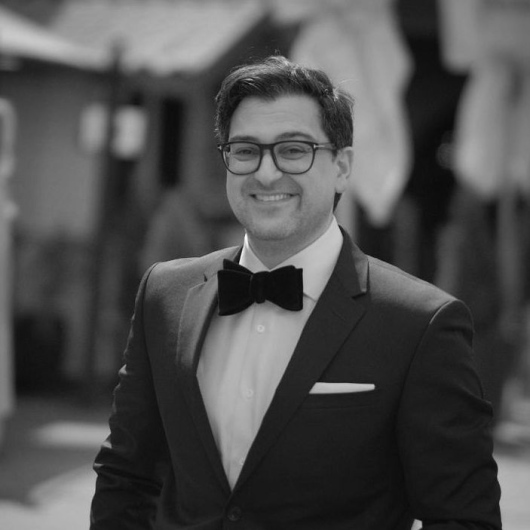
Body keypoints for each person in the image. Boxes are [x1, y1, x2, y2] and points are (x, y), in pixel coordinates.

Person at [90, 55, 502, 530]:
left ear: (342, 167)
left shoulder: (420, 324)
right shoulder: (165, 295)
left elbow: (463, 519)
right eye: (245, 150)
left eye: (293, 150)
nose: (266, 173)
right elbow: (126, 476)